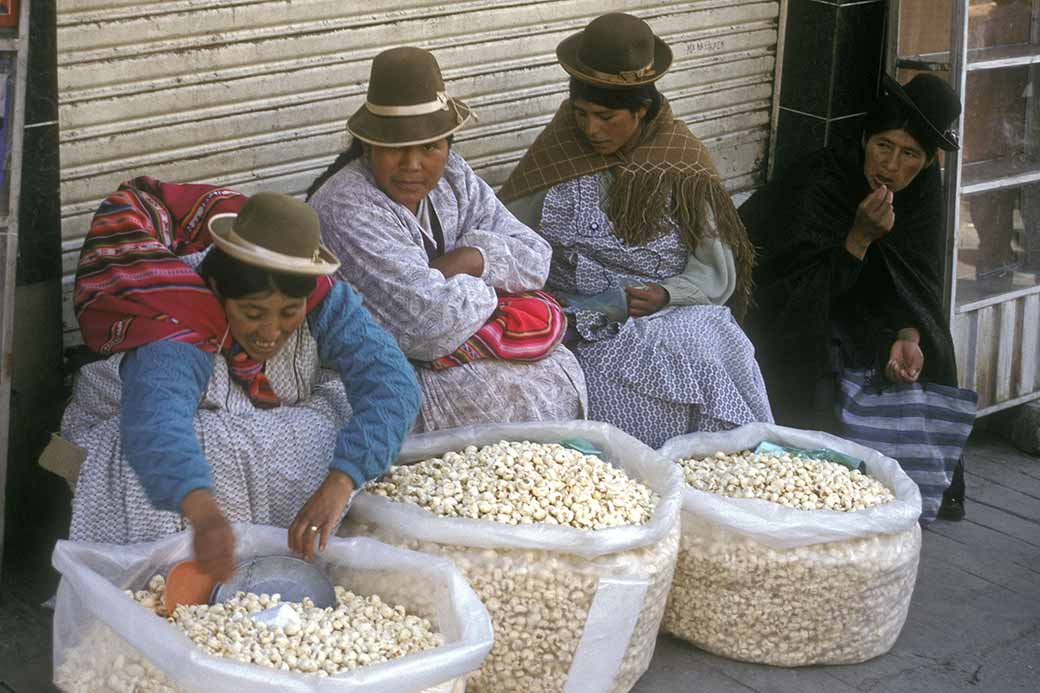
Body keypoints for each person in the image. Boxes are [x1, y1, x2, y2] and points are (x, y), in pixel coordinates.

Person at [62, 183, 421, 579]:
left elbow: (393, 383)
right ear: (218, 290)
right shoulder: (179, 323)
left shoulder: (322, 295)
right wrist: (205, 515)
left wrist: (342, 480)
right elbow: (157, 422)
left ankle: (274, 568)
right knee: (216, 449)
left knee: (334, 431)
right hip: (130, 429)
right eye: (252, 312)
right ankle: (180, 581)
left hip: (248, 414)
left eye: (289, 313)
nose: (270, 331)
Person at [499, 13, 772, 447]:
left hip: (663, 311)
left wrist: (667, 294)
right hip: (576, 316)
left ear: (641, 111)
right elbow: (508, 236)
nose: (591, 129)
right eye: (582, 113)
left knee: (706, 346)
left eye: (606, 117)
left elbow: (714, 270)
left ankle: (710, 471)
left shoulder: (681, 164)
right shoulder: (560, 150)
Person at [308, 46, 587, 431]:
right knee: (511, 390)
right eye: (395, 148)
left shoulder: (454, 176)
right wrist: (500, 292)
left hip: (450, 344)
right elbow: (430, 323)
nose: (413, 165)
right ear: (369, 146)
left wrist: (469, 260)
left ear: (447, 145)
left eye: (430, 147)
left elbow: (537, 258)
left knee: (558, 365)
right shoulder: (346, 206)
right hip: (375, 371)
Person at [739, 73, 972, 520]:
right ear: (864, 137)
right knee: (818, 353)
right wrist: (859, 239)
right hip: (800, 311)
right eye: (883, 145)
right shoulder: (821, 181)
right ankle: (809, 472)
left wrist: (908, 333)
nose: (890, 166)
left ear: (926, 164)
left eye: (909, 154)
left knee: (932, 347)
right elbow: (791, 291)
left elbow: (915, 282)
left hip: (869, 312)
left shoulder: (922, 194)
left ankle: (917, 478)